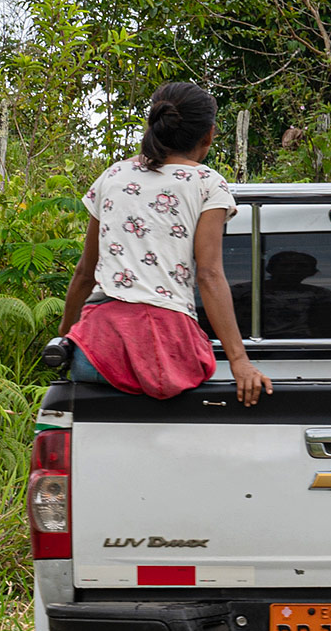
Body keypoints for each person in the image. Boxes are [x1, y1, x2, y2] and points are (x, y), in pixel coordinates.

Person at [59, 81, 270, 405]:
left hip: (97, 349)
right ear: (209, 135)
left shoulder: (113, 176)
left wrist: (65, 336)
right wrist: (239, 360)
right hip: (167, 352)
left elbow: (85, 273)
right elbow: (209, 275)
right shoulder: (207, 183)